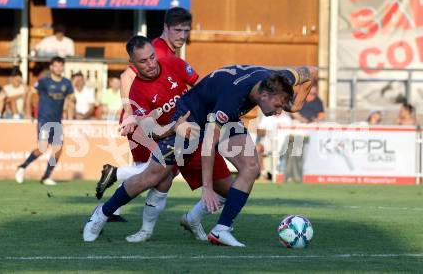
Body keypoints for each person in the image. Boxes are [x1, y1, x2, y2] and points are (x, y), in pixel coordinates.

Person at [84, 64, 318, 247]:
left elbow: (311, 72)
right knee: (152, 177)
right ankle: (101, 214)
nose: (280, 111)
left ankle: (221, 229)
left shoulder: (278, 78)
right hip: (191, 118)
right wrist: (207, 187)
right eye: (278, 105)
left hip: (221, 116)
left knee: (251, 166)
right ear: (265, 95)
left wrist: (295, 104)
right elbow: (209, 143)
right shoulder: (232, 98)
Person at [92, 36, 233, 243]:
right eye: (143, 61)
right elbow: (150, 130)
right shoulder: (137, 90)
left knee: (230, 191)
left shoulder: (173, 62)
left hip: (196, 135)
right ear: (133, 64)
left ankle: (193, 218)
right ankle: (113, 218)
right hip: (167, 136)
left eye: (152, 57)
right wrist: (170, 126)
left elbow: (203, 87)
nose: (151, 63)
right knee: (157, 178)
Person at [97, 8, 194, 233]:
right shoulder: (157, 51)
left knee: (153, 171)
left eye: (186, 31)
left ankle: (113, 210)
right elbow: (126, 76)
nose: (182, 35)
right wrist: (129, 112)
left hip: (156, 121)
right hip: (143, 121)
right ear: (166, 28)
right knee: (160, 171)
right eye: (177, 30)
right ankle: (115, 176)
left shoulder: (168, 53)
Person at [15, 57, 75, 186]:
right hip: (44, 119)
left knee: (58, 150)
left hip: (57, 121)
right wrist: (27, 111)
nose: (58, 68)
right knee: (43, 148)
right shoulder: (44, 82)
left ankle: (46, 176)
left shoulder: (67, 83)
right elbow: (30, 93)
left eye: (60, 66)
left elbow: (71, 98)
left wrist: (72, 105)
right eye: (56, 66)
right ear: (51, 67)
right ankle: (22, 167)